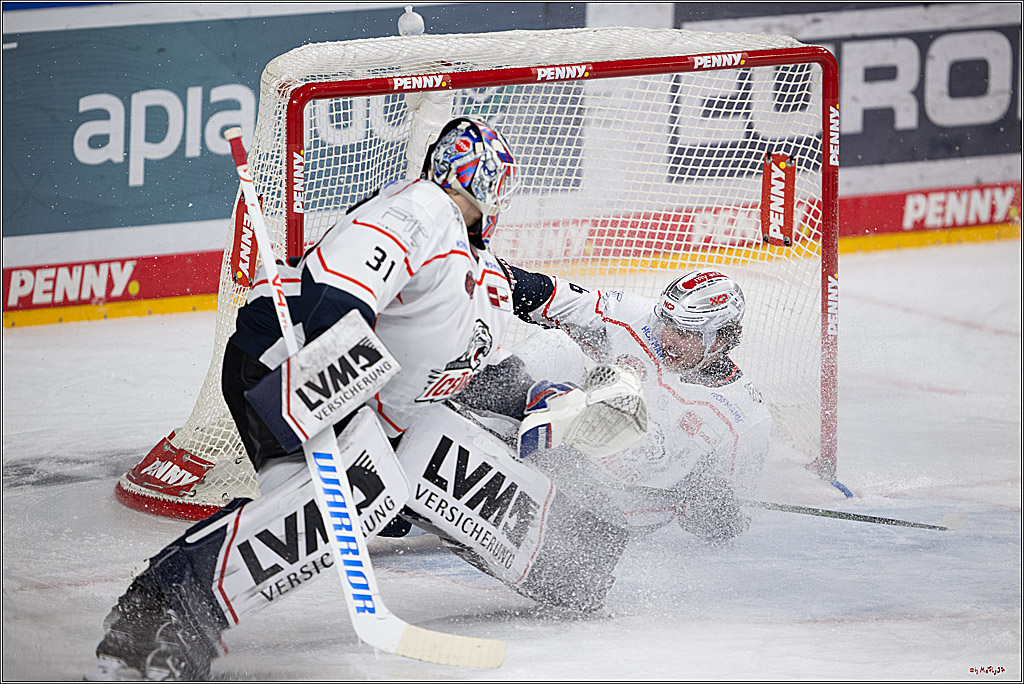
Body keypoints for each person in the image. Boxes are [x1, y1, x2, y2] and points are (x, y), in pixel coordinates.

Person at [89, 117, 638, 681]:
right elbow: (341, 293)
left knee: (428, 455)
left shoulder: (479, 266)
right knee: (343, 500)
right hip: (292, 362)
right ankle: (155, 623)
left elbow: (544, 308)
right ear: (490, 187)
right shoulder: (421, 209)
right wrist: (329, 384)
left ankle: (572, 557)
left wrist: (624, 353)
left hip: (373, 402)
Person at [471, 266, 773, 542]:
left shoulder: (746, 420)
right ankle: (475, 442)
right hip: (564, 456)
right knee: (556, 347)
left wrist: (712, 508)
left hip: (611, 513)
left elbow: (728, 526)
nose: (666, 339)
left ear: (718, 340)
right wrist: (476, 268)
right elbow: (549, 296)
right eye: (666, 324)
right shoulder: (634, 318)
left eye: (682, 333)